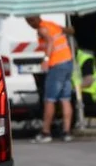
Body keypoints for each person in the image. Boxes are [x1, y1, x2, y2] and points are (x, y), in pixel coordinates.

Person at [26, 14, 74, 142]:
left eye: (29, 21)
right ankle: (67, 132)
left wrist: (46, 59)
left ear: (34, 20)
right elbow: (70, 31)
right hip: (68, 62)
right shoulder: (51, 24)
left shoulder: (42, 29)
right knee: (65, 99)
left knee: (50, 99)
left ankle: (46, 132)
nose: (29, 24)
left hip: (57, 65)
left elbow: (50, 41)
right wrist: (66, 30)